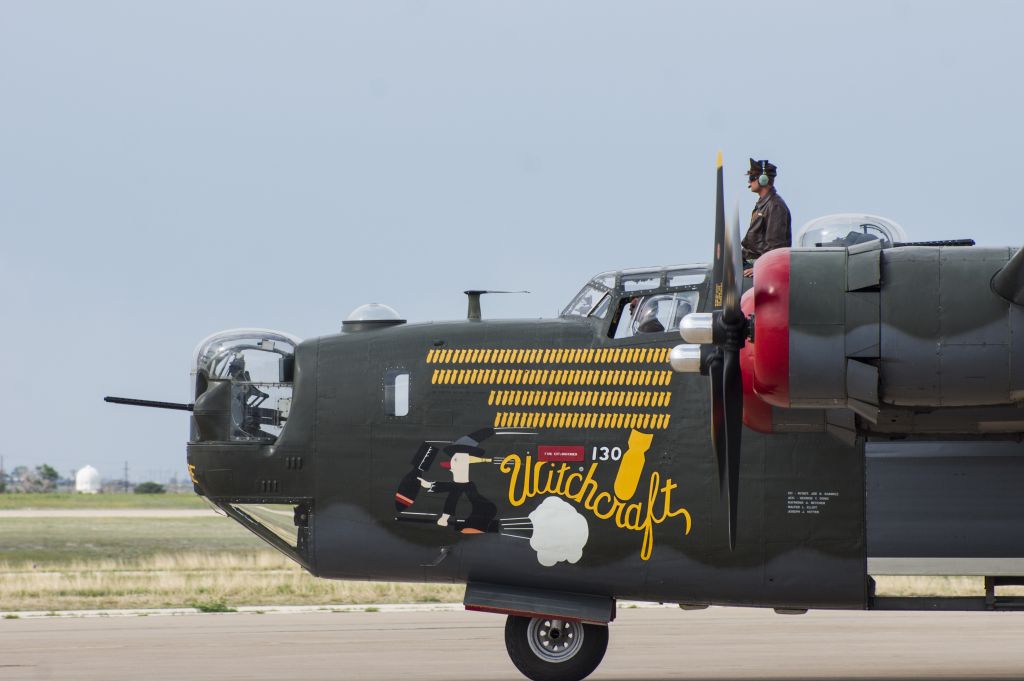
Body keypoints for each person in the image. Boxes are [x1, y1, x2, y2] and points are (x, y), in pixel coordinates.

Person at [741, 158, 791, 277]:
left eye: (751, 178)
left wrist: (761, 268)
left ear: (763, 180)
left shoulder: (775, 206)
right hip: (750, 261)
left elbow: (776, 247)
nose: (749, 182)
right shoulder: (763, 204)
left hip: (760, 264)